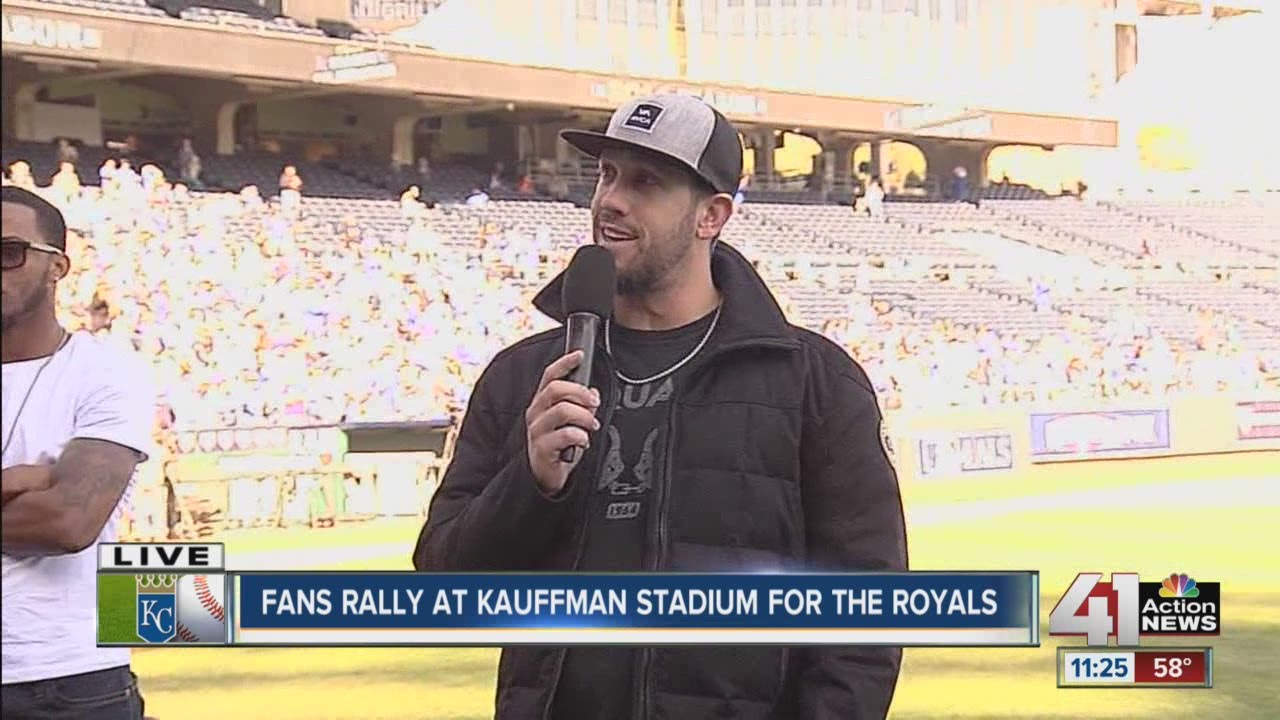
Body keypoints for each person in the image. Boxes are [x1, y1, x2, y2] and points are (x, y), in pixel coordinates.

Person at [413, 94, 908, 719]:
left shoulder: (816, 383)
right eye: (608, 175)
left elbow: (864, 611)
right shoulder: (523, 378)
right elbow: (444, 588)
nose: (611, 200)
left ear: (711, 216)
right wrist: (530, 484)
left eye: (646, 182)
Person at [1, 186, 156, 719]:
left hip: (63, 681)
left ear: (56, 267)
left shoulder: (106, 373)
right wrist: (16, 481)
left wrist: (47, 496)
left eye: (9, 252)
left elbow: (67, 523)